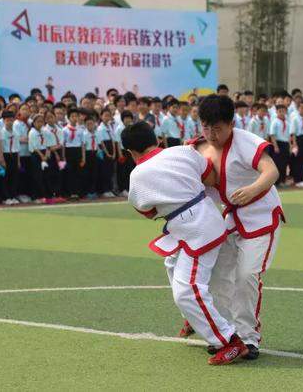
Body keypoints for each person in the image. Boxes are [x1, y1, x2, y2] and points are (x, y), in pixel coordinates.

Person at [122, 120, 248, 365]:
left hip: (195, 227)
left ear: (130, 152)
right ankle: (194, 317)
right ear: (157, 139)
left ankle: (229, 340)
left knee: (186, 291)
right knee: (172, 262)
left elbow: (147, 211)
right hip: (202, 216)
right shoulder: (182, 151)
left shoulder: (137, 175)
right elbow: (210, 177)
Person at [193, 95, 284, 361]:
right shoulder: (198, 148)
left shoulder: (246, 142)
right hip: (230, 218)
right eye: (206, 127)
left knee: (246, 275)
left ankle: (247, 337)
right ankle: (223, 335)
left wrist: (254, 188)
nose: (211, 134)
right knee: (218, 275)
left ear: (232, 123)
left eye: (217, 128)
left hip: (261, 216)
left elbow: (271, 171)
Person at [63, 108, 85, 199]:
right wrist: (63, 157)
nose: (74, 118)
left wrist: (83, 158)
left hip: (78, 151)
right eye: (72, 116)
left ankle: (78, 192)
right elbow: (63, 144)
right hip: (69, 151)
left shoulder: (80, 129)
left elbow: (83, 144)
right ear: (68, 118)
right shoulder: (65, 130)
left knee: (78, 173)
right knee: (70, 173)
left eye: (76, 116)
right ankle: (70, 192)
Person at [13, 103, 33, 203]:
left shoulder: (31, 122)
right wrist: (30, 140)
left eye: (27, 109)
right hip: (20, 153)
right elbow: (17, 138)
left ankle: (28, 193)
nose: (25, 111)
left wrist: (30, 140)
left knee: (28, 175)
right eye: (23, 109)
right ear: (19, 111)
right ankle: (20, 194)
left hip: (30, 153)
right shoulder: (16, 123)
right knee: (20, 175)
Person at [289, 103, 303, 187]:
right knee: (299, 160)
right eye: (301, 108)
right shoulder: (295, 119)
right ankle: (298, 179)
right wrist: (294, 144)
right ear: (298, 109)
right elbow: (293, 133)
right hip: (299, 139)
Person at [1, 110, 20, 205]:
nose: (10, 122)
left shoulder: (16, 132)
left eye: (12, 120)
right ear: (4, 121)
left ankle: (13, 196)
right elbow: (0, 147)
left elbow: (17, 147)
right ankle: (6, 197)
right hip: (5, 155)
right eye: (8, 120)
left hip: (14, 155)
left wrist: (18, 161)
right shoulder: (1, 132)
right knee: (6, 177)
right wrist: (2, 160)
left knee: (14, 177)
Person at [96, 108, 116, 198]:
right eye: (105, 115)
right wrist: (107, 153)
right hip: (105, 150)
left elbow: (113, 140)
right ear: (101, 116)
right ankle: (105, 190)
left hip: (111, 148)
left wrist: (114, 152)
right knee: (105, 171)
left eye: (109, 115)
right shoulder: (100, 128)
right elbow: (102, 143)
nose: (107, 117)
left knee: (111, 171)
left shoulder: (110, 127)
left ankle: (110, 189)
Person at [28, 114, 48, 203]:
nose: (40, 124)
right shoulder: (32, 132)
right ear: (34, 123)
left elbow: (47, 143)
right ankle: (35, 196)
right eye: (38, 122)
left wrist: (46, 154)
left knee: (43, 176)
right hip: (36, 155)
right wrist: (42, 156)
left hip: (44, 153)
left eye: (41, 122)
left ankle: (42, 195)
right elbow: (35, 146)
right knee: (36, 176)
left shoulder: (43, 131)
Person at [269, 104, 290, 187]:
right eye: (280, 111)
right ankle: (277, 182)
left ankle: (283, 180)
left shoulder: (287, 123)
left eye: (283, 111)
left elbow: (288, 136)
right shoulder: (275, 122)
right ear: (276, 112)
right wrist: (275, 146)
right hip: (278, 143)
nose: (282, 113)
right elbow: (272, 135)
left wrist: (290, 146)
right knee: (278, 163)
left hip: (285, 143)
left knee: (284, 163)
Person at [82, 115, 99, 199]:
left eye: (91, 124)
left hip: (95, 153)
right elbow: (84, 147)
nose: (90, 126)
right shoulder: (84, 134)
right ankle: (87, 191)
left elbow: (98, 144)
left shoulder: (96, 133)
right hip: (87, 154)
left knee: (94, 173)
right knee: (87, 173)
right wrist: (84, 158)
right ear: (85, 125)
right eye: (88, 124)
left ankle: (93, 191)